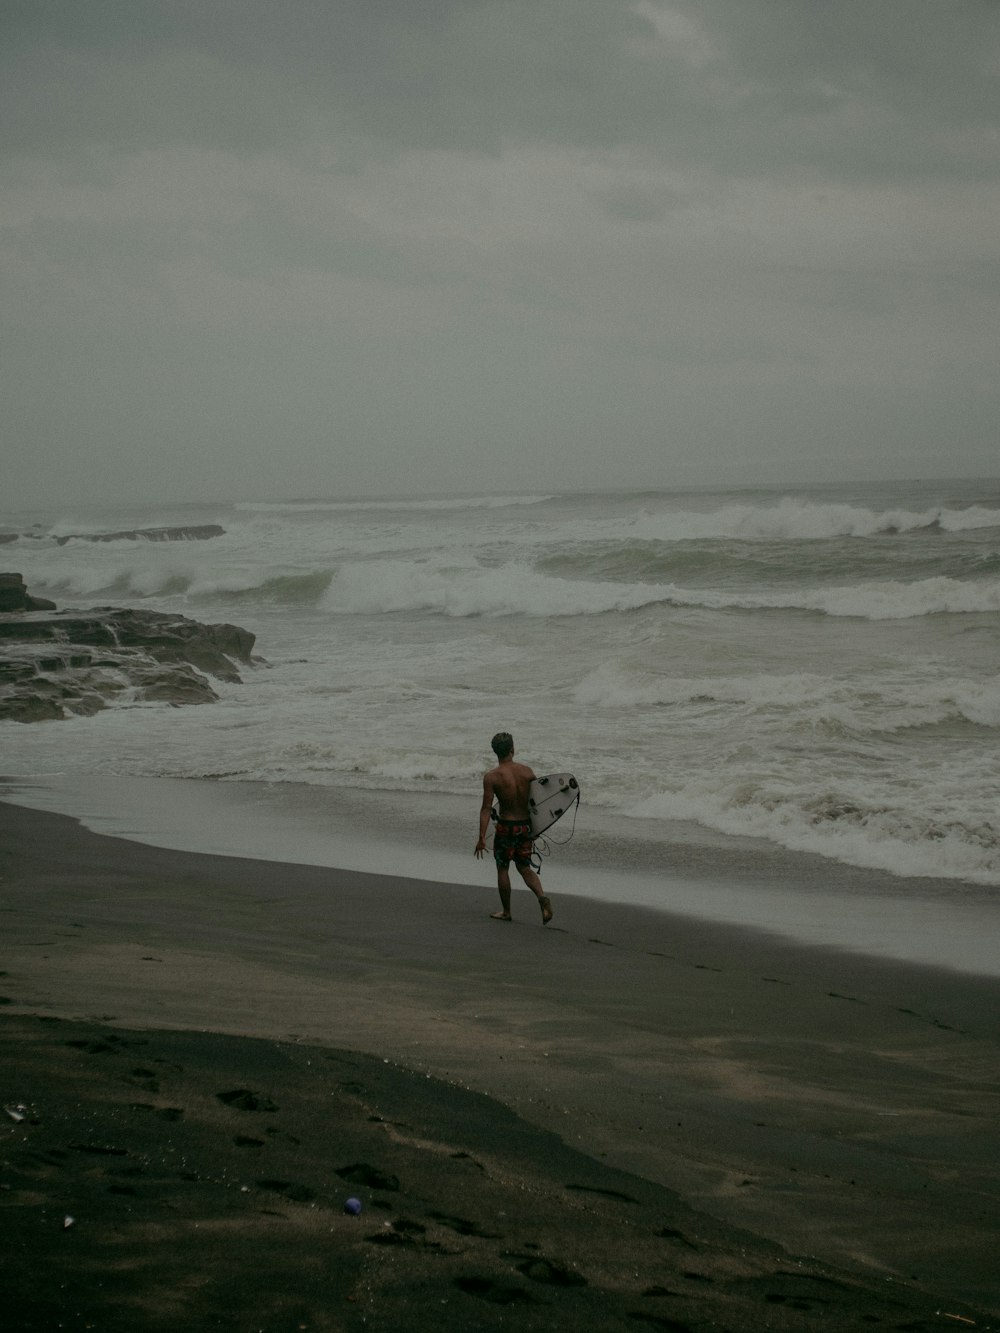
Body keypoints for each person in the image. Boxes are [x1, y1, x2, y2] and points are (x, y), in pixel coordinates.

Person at [474, 731, 553, 924]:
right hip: (525, 826)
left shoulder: (492, 777)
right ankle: (542, 898)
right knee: (524, 867)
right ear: (513, 749)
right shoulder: (527, 772)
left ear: (496, 753)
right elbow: (538, 803)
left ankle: (507, 911)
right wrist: (535, 829)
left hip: (506, 827)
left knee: (503, 869)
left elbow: (486, 809)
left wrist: (482, 837)